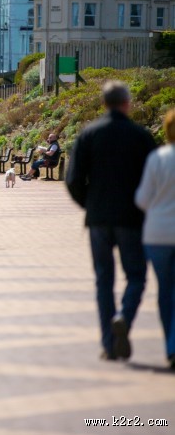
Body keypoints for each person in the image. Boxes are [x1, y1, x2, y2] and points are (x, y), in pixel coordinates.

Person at [66, 81, 157, 361]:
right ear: (127, 103)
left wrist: (88, 204)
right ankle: (125, 317)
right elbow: (151, 180)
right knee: (137, 276)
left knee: (103, 280)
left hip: (98, 219)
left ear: (103, 103)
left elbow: (72, 180)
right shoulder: (140, 136)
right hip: (131, 218)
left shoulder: (89, 134)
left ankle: (108, 343)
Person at [134, 108, 175, 370]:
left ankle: (171, 347)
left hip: (157, 234)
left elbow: (141, 199)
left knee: (166, 290)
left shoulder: (157, 157)